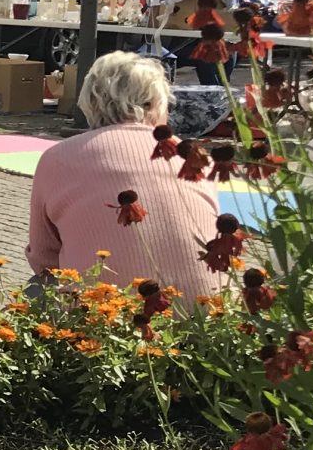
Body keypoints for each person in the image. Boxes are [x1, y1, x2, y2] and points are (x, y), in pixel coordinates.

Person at [26, 51, 221, 302]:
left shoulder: (58, 158)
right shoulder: (198, 159)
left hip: (106, 320)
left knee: (36, 289)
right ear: (157, 103)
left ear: (90, 103)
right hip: (206, 315)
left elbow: (43, 259)